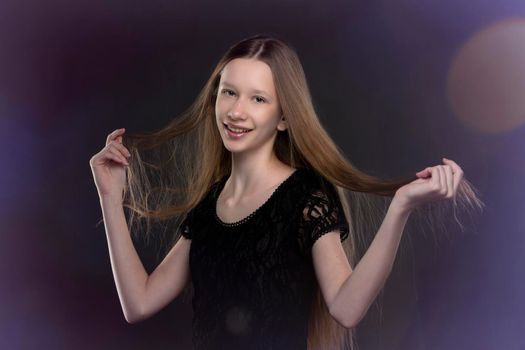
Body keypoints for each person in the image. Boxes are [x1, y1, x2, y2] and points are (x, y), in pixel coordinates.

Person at [89, 34, 484, 350]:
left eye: (258, 99)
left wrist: (400, 208)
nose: (237, 111)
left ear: (283, 118)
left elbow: (346, 308)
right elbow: (138, 303)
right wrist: (110, 198)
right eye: (229, 92)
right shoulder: (210, 206)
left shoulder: (304, 197)